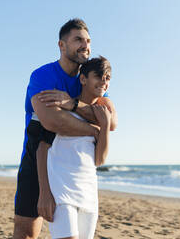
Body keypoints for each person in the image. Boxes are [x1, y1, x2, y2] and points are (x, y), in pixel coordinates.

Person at [13, 19, 117, 239]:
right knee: (26, 234)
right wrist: (94, 130)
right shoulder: (43, 76)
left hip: (73, 171)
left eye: (88, 41)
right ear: (61, 45)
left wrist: (72, 104)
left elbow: (111, 120)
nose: (85, 45)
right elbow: (52, 122)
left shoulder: (91, 77)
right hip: (37, 156)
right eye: (78, 39)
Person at [47, 56, 112, 239]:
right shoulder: (63, 107)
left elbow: (99, 160)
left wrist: (105, 125)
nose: (103, 81)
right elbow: (41, 148)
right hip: (62, 189)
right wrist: (44, 193)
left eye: (107, 78)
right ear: (83, 79)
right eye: (98, 76)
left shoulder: (101, 117)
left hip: (89, 193)